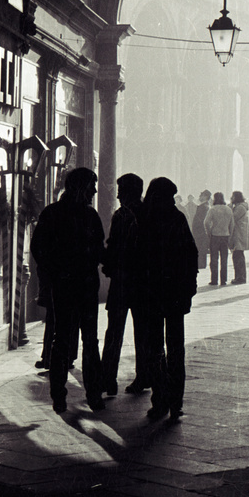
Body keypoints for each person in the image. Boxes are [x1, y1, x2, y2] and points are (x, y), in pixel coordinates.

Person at [30, 167, 105, 414]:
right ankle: (91, 394)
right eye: (91, 186)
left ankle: (61, 396)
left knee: (62, 340)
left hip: (68, 286)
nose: (94, 190)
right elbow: (40, 249)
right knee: (85, 341)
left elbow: (39, 249)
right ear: (81, 187)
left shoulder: (53, 213)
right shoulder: (88, 215)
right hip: (78, 285)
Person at [136, 177, 198, 421]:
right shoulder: (176, 218)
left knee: (155, 349)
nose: (171, 202)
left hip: (153, 294)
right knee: (174, 349)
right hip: (172, 295)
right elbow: (190, 254)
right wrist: (188, 287)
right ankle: (174, 402)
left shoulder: (145, 219)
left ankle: (161, 400)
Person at [101, 172, 150, 396]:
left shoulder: (121, 215)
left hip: (122, 282)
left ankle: (108, 378)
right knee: (143, 333)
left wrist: (109, 265)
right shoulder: (147, 213)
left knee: (114, 332)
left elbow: (113, 245)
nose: (118, 194)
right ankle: (143, 376)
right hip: (141, 283)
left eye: (121, 190)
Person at [203, 191, 234, 286]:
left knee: (214, 259)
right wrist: (230, 235)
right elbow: (232, 224)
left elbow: (206, 222)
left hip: (215, 236)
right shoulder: (228, 209)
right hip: (225, 235)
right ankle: (223, 280)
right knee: (224, 259)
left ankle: (214, 280)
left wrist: (209, 232)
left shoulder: (213, 209)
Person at [229, 190, 249, 284]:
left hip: (239, 234)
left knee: (238, 256)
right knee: (237, 256)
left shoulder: (241, 207)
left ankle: (240, 277)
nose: (231, 198)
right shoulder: (239, 206)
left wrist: (229, 208)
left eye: (233, 197)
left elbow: (233, 217)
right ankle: (238, 277)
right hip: (238, 233)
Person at [191, 189, 211, 270]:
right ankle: (200, 263)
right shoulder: (204, 206)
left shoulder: (204, 207)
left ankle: (201, 264)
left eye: (201, 195)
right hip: (200, 231)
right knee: (200, 248)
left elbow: (201, 221)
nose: (200, 196)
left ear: (205, 197)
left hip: (200, 232)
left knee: (200, 248)